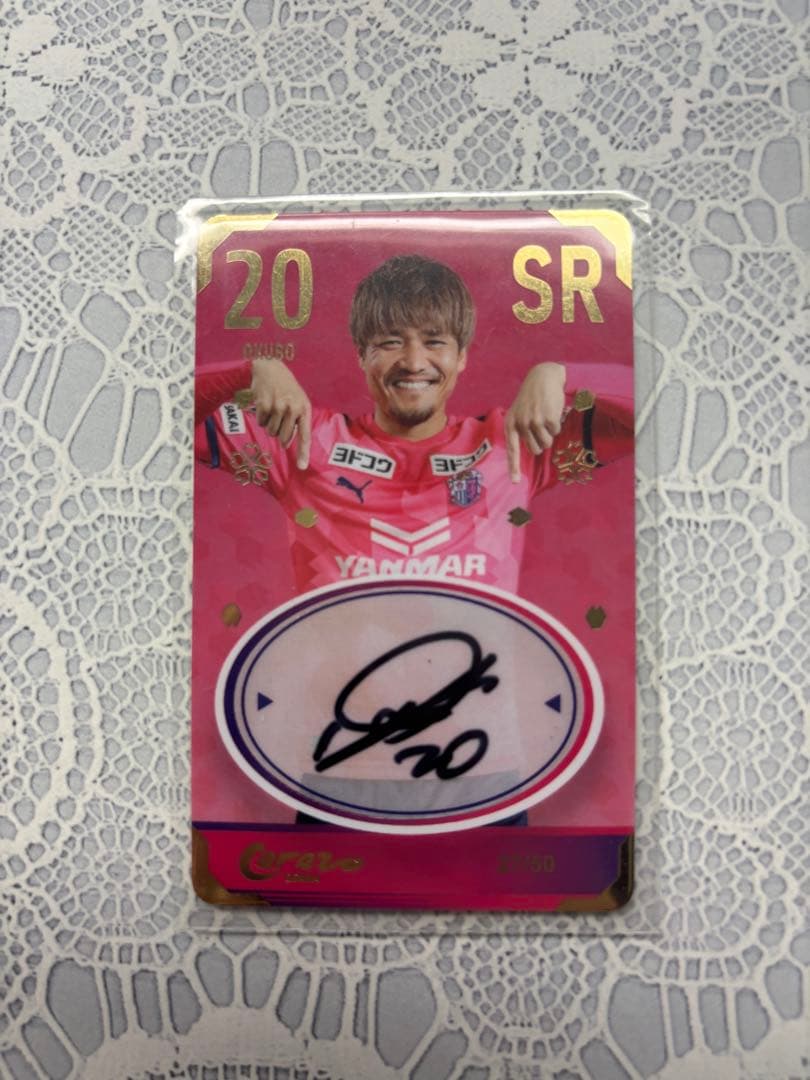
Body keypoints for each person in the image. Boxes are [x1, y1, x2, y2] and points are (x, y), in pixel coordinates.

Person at [195, 254, 633, 597]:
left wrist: (559, 376)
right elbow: (165, 416)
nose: (413, 362)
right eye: (390, 342)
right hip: (338, 687)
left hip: (477, 684)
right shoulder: (299, 441)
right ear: (361, 356)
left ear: (462, 357)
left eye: (434, 342)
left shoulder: (517, 443)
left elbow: (650, 413)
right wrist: (252, 369)